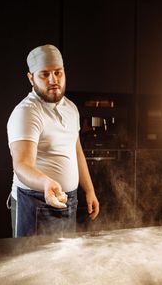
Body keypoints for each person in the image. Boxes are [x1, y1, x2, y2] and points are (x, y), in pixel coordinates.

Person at [7, 44, 99, 237]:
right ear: (31, 78)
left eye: (58, 72)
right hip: (35, 201)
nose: (53, 80)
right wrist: (46, 183)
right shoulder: (27, 112)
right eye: (44, 74)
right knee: (32, 264)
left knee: (62, 265)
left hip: (68, 200)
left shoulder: (71, 108)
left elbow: (76, 151)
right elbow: (22, 165)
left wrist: (89, 190)